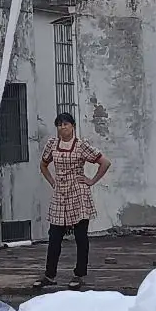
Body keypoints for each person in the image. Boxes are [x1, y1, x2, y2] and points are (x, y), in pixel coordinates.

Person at [39, 111, 110, 289]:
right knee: (54, 235)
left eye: (66, 124)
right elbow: (43, 164)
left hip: (78, 194)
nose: (63, 127)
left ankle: (79, 274)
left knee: (80, 236)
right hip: (60, 194)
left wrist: (91, 181)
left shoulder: (81, 146)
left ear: (73, 126)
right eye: (60, 124)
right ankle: (50, 274)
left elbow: (105, 162)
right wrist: (52, 182)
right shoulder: (52, 145)